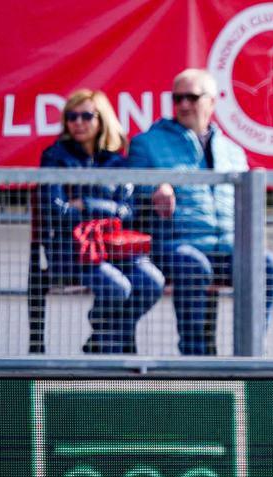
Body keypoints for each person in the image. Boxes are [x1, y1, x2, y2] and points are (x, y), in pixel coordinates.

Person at [127, 68, 273, 355]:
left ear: (212, 101)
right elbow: (128, 191)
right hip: (176, 247)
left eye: (192, 97)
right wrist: (154, 187)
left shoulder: (232, 150)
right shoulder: (147, 143)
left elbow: (246, 202)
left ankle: (253, 354)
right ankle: (195, 357)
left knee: (266, 263)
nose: (184, 104)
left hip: (227, 248)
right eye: (178, 98)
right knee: (193, 263)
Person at [39, 89, 165, 354]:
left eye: (86, 116)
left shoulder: (117, 162)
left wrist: (86, 204)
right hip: (74, 250)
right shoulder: (55, 157)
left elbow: (128, 211)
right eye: (72, 116)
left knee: (152, 281)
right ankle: (111, 345)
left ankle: (105, 337)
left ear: (102, 119)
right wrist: (109, 211)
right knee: (118, 286)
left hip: (116, 248)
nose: (78, 122)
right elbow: (55, 210)